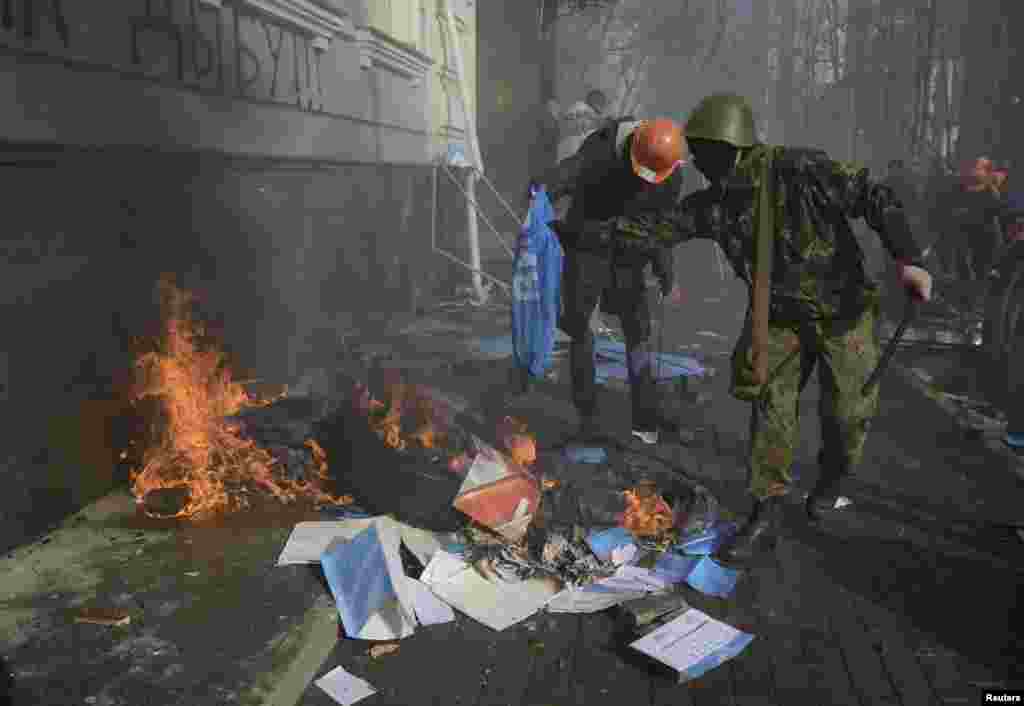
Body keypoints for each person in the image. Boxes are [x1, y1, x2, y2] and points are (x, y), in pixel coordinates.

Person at [613, 93, 933, 565]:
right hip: (779, 320)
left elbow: (872, 194)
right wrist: (574, 234)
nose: (698, 162)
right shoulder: (717, 202)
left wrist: (908, 260)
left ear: (734, 147)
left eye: (706, 151)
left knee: (847, 415)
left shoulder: (800, 170)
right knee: (771, 413)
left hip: (844, 314)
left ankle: (831, 478)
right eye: (696, 151)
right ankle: (765, 512)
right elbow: (655, 229)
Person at [532, 117, 688, 445]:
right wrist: (540, 193)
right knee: (583, 328)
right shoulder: (600, 150)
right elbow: (563, 176)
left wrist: (665, 270)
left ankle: (645, 417)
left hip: (631, 248)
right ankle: (588, 418)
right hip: (589, 241)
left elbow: (663, 224)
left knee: (639, 330)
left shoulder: (669, 168)